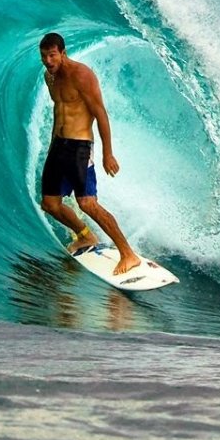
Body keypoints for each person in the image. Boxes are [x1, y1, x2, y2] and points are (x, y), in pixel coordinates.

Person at [37, 31, 142, 276]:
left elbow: (100, 113)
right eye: (44, 56)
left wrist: (108, 154)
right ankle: (85, 236)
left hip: (80, 146)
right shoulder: (49, 78)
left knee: (87, 203)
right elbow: (59, 112)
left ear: (63, 53)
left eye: (52, 55)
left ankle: (128, 253)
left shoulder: (81, 75)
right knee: (50, 204)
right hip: (60, 145)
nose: (48, 61)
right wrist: (52, 145)